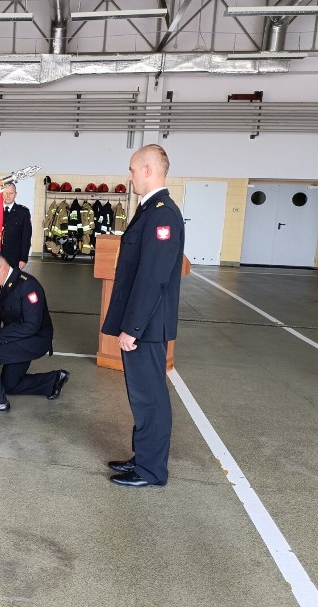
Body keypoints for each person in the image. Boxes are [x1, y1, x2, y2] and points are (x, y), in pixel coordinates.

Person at [101, 144, 185, 487]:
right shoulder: (149, 209)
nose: (130, 175)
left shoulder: (162, 213)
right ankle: (143, 459)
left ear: (148, 169)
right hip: (142, 324)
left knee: (150, 398)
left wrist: (132, 328)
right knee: (141, 396)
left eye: (133, 169)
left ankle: (151, 471)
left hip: (146, 327)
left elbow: (154, 277)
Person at [0, 256, 70, 413]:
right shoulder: (2, 285)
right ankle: (53, 381)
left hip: (34, 340)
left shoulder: (28, 286)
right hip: (17, 337)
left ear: (2, 269)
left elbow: (31, 326)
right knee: (10, 385)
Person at [1, 182, 32, 269]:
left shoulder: (23, 212)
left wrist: (23, 258)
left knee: (13, 282)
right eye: (5, 193)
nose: (8, 196)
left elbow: (26, 237)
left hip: (14, 258)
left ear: (15, 194)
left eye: (11, 193)